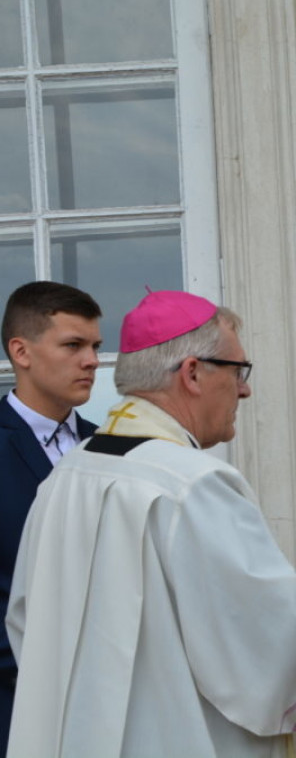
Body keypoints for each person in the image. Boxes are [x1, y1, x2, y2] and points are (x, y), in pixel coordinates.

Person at [6, 290, 296, 758]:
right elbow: (266, 643)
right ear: (193, 373)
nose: (245, 389)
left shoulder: (70, 473)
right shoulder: (192, 484)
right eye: (238, 371)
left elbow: (25, 620)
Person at [0, 281, 102, 756]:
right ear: (21, 351)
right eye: (73, 345)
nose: (92, 361)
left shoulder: (112, 448)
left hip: (106, 709)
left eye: (95, 346)